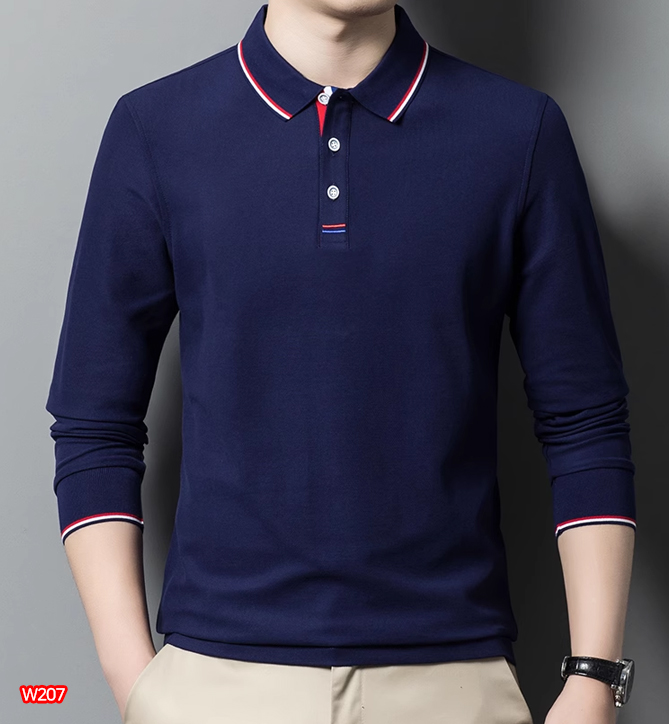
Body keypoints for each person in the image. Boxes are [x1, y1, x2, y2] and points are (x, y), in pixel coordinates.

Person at [45, 2, 637, 722]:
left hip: (454, 681)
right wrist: (137, 685)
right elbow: (94, 422)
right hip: (216, 681)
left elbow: (585, 422)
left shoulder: (519, 132)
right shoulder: (155, 128)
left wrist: (594, 677)